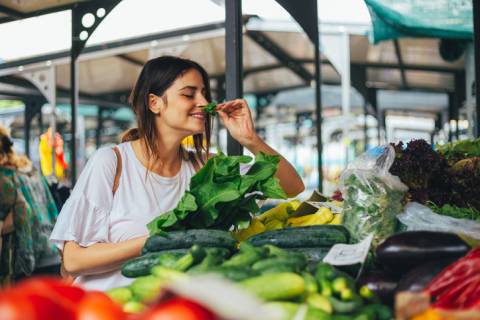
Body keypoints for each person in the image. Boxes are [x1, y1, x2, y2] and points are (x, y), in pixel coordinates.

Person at [50, 56, 305, 291]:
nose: (204, 103)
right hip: (104, 310)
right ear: (155, 103)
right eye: (189, 94)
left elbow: (292, 186)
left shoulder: (205, 168)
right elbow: (73, 260)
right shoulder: (112, 162)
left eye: (204, 93)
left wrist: (249, 138)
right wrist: (159, 239)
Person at [0, 126, 60, 286]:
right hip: (53, 252)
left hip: (28, 261)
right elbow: (52, 207)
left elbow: (22, 210)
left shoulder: (4, 175)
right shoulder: (29, 169)